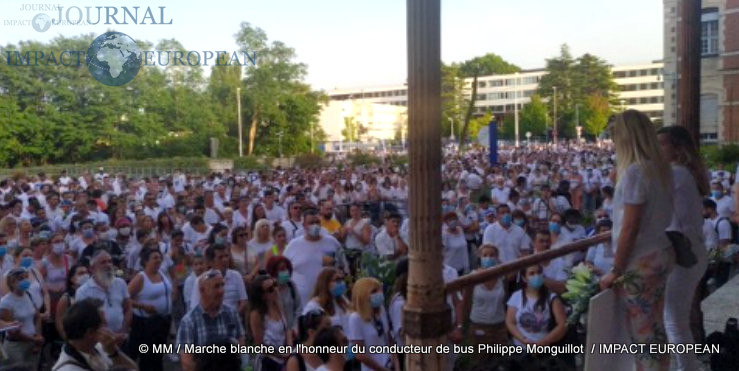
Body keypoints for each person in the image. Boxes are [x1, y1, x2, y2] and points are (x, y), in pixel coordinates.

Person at [599, 110, 674, 371]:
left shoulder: (635, 172)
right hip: (659, 255)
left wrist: (616, 270)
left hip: (639, 262)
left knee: (641, 333)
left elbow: (630, 227)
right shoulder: (660, 169)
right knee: (655, 326)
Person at [657, 125, 711, 371]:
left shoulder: (676, 174)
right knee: (676, 320)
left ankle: (687, 367)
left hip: (682, 254)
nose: (657, 150)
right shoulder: (685, 172)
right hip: (691, 251)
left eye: (662, 144)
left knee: (674, 321)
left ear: (677, 149)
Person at [177, 269, 246, 371]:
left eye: (222, 285)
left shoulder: (231, 314)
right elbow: (187, 362)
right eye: (216, 286)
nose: (221, 291)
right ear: (202, 290)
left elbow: (241, 349)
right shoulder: (189, 322)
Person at [53, 298, 137, 371]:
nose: (107, 328)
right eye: (103, 324)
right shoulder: (67, 368)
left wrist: (114, 352)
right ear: (90, 332)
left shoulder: (98, 347)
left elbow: (134, 369)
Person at [283, 208, 341, 305]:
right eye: (311, 223)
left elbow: (343, 265)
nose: (315, 225)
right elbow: (284, 268)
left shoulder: (331, 242)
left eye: (317, 222)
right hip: (303, 300)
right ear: (304, 225)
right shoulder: (294, 245)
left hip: (328, 297)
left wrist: (334, 262)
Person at [128, 247, 172, 371]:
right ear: (146, 261)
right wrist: (143, 306)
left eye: (159, 257)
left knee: (158, 354)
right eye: (155, 258)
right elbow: (125, 298)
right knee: (148, 357)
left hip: (163, 321)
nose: (158, 260)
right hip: (146, 324)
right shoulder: (140, 278)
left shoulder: (161, 273)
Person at [74, 250, 131, 346]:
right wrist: (108, 337)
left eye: (110, 261)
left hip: (121, 338)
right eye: (103, 262)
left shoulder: (120, 283)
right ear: (92, 269)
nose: (108, 265)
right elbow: (84, 322)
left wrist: (123, 331)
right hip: (99, 343)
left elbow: (128, 308)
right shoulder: (83, 292)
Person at [461, 244, 508, 349]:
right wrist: (463, 326)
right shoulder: (472, 277)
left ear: (497, 257)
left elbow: (505, 299)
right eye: (485, 255)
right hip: (478, 325)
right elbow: (466, 302)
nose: (489, 258)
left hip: (499, 325)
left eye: (492, 255)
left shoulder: (502, 277)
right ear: (480, 257)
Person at [346, 277, 396, 371]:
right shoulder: (355, 318)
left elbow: (390, 340)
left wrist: (396, 365)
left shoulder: (381, 312)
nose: (379, 293)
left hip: (389, 364)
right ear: (363, 295)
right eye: (374, 291)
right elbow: (359, 354)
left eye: (379, 289)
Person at [189, 243, 247, 318]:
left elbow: (244, 302)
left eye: (226, 256)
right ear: (210, 262)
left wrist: (233, 317)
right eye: (220, 257)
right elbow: (195, 306)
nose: (225, 260)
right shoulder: (201, 280)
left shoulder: (236, 276)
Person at [0, 268, 43, 368]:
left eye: (26, 277)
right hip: (16, 347)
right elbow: (11, 330)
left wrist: (38, 336)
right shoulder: (6, 302)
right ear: (12, 282)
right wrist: (34, 339)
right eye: (20, 278)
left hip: (33, 344)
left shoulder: (28, 295)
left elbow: (37, 317)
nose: (25, 281)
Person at [249, 274, 293, 370]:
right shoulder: (256, 314)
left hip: (283, 358)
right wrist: (280, 354)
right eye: (270, 289)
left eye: (275, 285)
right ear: (262, 295)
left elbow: (287, 329)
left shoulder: (278, 305)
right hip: (267, 361)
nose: (275, 290)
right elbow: (260, 344)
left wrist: (289, 348)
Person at [265, 255, 301, 331]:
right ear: (274, 271)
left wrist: (295, 327)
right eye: (282, 269)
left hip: (293, 332)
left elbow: (298, 308)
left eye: (286, 268)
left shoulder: (291, 286)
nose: (285, 271)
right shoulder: (268, 290)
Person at [55, 264, 89, 340]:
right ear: (72, 278)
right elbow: (59, 320)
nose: (85, 275)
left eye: (86, 273)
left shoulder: (91, 293)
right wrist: (66, 338)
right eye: (81, 273)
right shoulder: (66, 298)